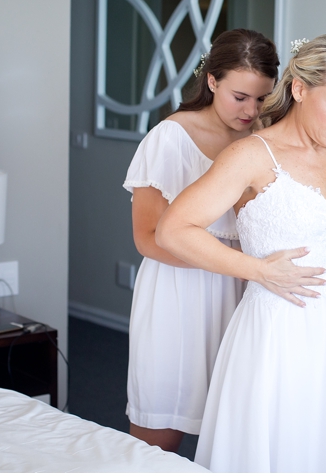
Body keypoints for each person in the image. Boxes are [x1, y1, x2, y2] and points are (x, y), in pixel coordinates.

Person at [157, 34, 326, 472]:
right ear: (299, 89)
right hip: (277, 333)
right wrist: (256, 269)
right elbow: (172, 230)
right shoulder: (251, 156)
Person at [123, 29, 301, 452]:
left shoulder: (262, 141)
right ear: (212, 81)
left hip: (245, 294)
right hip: (180, 294)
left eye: (261, 98)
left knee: (237, 427)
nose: (250, 109)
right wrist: (231, 262)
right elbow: (147, 238)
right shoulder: (170, 138)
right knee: (161, 431)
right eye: (240, 96)